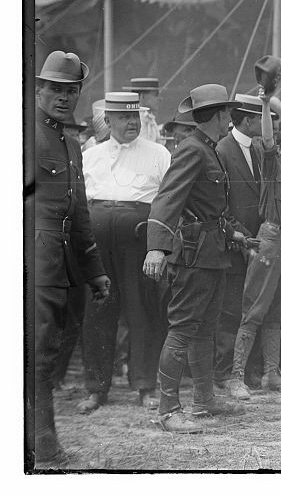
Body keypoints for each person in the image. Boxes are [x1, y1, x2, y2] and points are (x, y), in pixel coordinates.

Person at [143, 84, 246, 433]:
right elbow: (168, 198)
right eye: (228, 113)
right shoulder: (192, 150)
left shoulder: (209, 150)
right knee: (184, 328)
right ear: (218, 115)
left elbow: (207, 207)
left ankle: (203, 401)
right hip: (193, 256)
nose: (230, 119)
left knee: (204, 328)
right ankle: (168, 409)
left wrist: (234, 233)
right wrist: (156, 246)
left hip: (212, 252)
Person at [30, 51, 111, 467]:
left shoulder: (72, 144)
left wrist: (94, 271)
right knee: (38, 353)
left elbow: (79, 213)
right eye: (55, 89)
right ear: (38, 89)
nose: (63, 98)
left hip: (57, 263)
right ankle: (43, 447)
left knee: (44, 351)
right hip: (31, 259)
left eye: (71, 91)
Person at [77, 91, 171, 415]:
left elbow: (167, 202)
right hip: (99, 242)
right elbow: (80, 203)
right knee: (98, 311)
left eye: (136, 117)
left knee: (142, 310)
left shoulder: (158, 153)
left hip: (138, 241)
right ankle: (96, 388)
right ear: (109, 121)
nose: (132, 122)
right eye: (124, 117)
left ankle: (145, 386)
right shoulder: (91, 155)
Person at [226, 91, 281, 400]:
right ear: (278, 149)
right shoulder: (270, 167)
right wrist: (265, 105)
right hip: (271, 239)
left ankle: (271, 374)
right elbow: (266, 137)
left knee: (277, 311)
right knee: (255, 308)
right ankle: (236, 376)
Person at [213, 94, 270, 391]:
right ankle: (225, 374)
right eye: (261, 117)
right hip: (234, 245)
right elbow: (220, 204)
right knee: (231, 312)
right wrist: (243, 239)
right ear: (247, 120)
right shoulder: (223, 151)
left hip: (257, 244)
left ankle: (248, 371)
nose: (265, 123)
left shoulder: (257, 148)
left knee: (254, 309)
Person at [123, 77, 162, 144]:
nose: (160, 98)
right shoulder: (134, 121)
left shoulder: (150, 118)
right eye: (156, 95)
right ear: (142, 96)